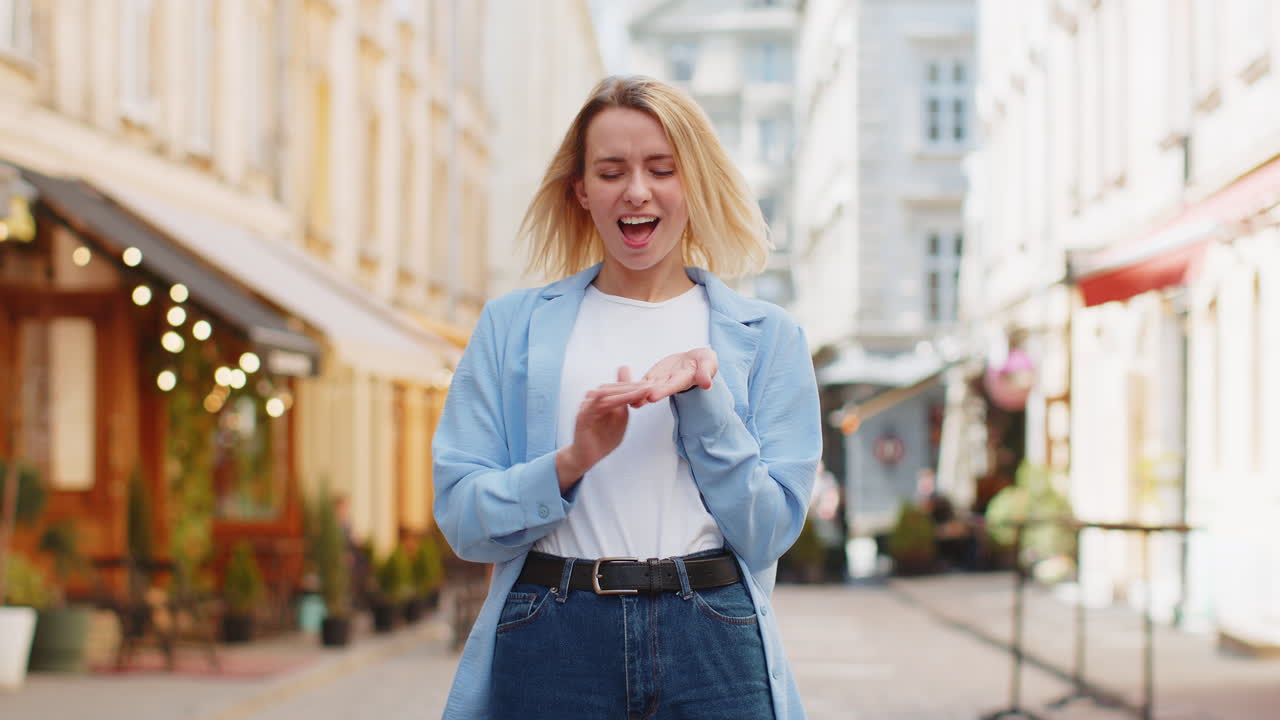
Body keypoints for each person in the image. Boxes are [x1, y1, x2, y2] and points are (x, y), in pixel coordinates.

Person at [432, 75, 821, 719]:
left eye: (661, 169)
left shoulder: (769, 337)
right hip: (552, 632)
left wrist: (705, 402)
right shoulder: (512, 329)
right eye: (611, 171)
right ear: (581, 189)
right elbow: (462, 519)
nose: (636, 191)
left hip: (712, 636)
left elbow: (770, 532)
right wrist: (571, 460)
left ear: (692, 182)